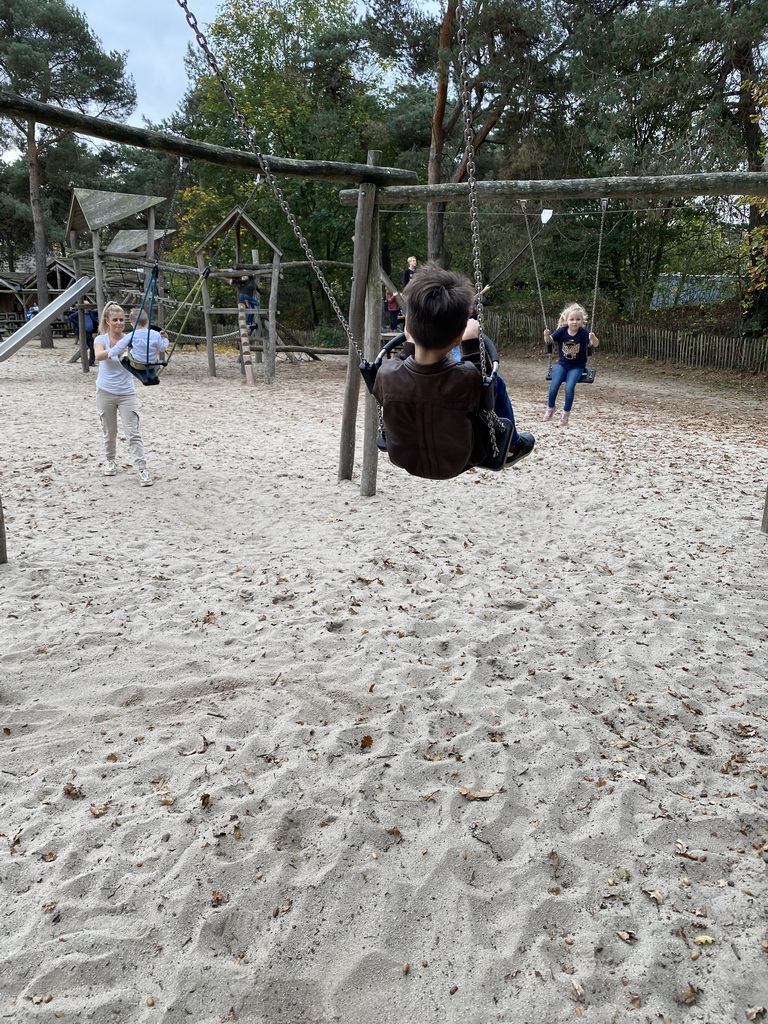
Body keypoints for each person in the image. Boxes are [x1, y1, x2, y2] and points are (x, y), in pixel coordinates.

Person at [372, 263, 534, 480]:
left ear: (408, 329)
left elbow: (402, 365)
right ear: (458, 337)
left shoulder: (386, 373)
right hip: (460, 460)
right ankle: (512, 445)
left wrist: (410, 344)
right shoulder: (466, 377)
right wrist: (471, 343)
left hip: (404, 457)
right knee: (497, 384)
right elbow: (482, 381)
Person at [93, 302, 153, 487]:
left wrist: (160, 338)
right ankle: (110, 461)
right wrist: (116, 350)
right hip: (105, 391)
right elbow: (98, 355)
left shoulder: (131, 338)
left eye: (121, 319)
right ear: (107, 321)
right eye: (115, 320)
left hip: (127, 393)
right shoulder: (101, 339)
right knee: (109, 432)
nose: (119, 323)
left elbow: (148, 352)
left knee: (133, 432)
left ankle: (142, 469)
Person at [543, 302, 599, 427]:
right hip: (562, 364)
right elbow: (549, 341)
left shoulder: (584, 333)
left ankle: (566, 412)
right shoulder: (562, 331)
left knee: (569, 387)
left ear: (582, 320)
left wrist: (593, 338)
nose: (575, 322)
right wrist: (546, 336)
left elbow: (595, 344)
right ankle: (551, 408)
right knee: (554, 385)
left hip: (577, 366)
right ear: (566, 320)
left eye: (578, 319)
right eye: (572, 319)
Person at [117, 308, 170, 380]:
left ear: (132, 325)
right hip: (152, 364)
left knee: (124, 355)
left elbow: (120, 346)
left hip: (137, 365)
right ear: (147, 322)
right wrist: (165, 339)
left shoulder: (132, 335)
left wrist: (112, 353)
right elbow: (162, 348)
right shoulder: (155, 334)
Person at [67, 298, 97, 365]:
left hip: (90, 332)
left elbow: (98, 313)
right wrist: (78, 324)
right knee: (90, 346)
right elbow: (70, 318)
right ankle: (89, 362)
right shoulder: (79, 313)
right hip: (83, 332)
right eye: (87, 305)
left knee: (91, 346)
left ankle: (91, 361)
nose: (89, 307)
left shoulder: (91, 313)